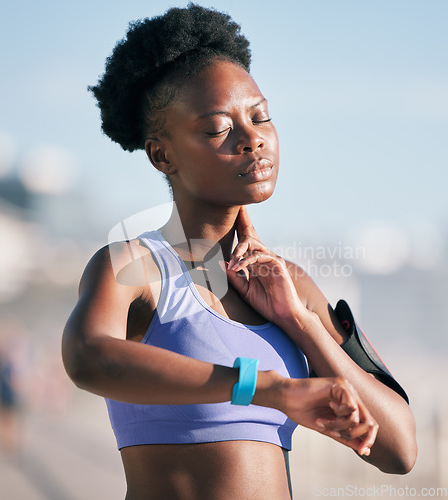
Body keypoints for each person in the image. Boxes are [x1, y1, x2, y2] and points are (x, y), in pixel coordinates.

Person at [62, 4, 417, 499]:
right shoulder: (134, 266)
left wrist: (299, 322)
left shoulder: (289, 285)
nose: (253, 140)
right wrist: (269, 388)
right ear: (162, 154)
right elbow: (86, 357)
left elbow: (399, 451)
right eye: (218, 129)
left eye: (261, 117)